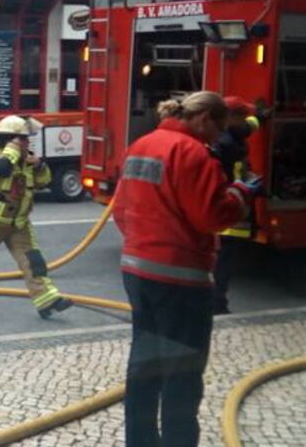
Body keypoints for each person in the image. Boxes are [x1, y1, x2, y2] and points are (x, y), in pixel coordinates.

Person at [112, 91, 259, 447]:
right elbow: (211, 216)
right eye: (218, 127)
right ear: (204, 117)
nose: (218, 137)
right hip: (180, 279)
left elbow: (121, 210)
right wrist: (242, 192)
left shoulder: (142, 144)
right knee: (182, 374)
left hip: (136, 272)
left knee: (144, 368)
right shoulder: (194, 154)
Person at [0, 115, 75, 318]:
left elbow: (44, 181)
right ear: (12, 140)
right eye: (24, 139)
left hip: (19, 222)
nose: (28, 142)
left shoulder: (28, 160)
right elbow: (0, 171)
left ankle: (47, 300)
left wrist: (39, 166)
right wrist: (12, 150)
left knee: (33, 260)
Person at [212, 96, 262, 315]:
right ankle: (217, 305)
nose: (246, 122)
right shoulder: (227, 144)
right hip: (229, 214)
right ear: (230, 118)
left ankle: (216, 303)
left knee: (223, 263)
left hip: (232, 209)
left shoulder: (231, 134)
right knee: (221, 265)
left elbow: (248, 128)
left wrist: (260, 118)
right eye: (243, 116)